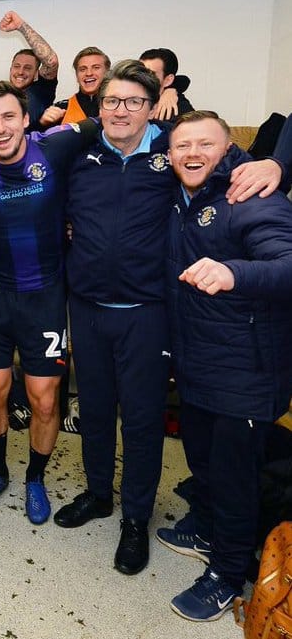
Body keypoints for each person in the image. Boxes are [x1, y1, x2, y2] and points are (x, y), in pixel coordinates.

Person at [160, 110, 292, 622]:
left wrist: (234, 273)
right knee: (202, 459)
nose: (192, 154)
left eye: (204, 144)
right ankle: (206, 527)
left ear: (228, 148)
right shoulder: (180, 196)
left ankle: (228, 573)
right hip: (199, 361)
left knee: (236, 478)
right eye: (182, 146)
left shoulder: (250, 194)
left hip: (247, 370)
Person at [52, 60, 174, 575]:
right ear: (98, 106)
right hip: (87, 308)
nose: (121, 111)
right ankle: (99, 494)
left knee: (142, 420)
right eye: (111, 101)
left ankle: (136, 518)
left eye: (133, 101)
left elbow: (220, 158)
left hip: (147, 312)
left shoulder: (172, 153)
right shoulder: (80, 155)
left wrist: (271, 165)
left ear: (152, 107)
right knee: (95, 410)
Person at [0, 81, 97, 525]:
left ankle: (35, 478)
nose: (0, 128)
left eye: (8, 117)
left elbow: (109, 122)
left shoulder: (54, 147)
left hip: (45, 300)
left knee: (44, 400)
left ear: (25, 119)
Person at [0, 11, 60, 131]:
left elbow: (51, 61)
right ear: (10, 69)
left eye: (27, 68)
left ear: (36, 73)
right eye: (17, 66)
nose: (20, 72)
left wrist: (20, 26)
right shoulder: (0, 95)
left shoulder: (41, 90)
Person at [39, 46, 109, 127]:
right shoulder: (61, 109)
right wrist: (42, 124)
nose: (89, 73)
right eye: (82, 69)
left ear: (107, 72)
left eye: (96, 68)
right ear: (76, 75)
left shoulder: (118, 107)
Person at [139, 48, 194, 121]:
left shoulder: (179, 112)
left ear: (168, 80)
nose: (141, 77)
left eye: (151, 74)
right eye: (139, 71)